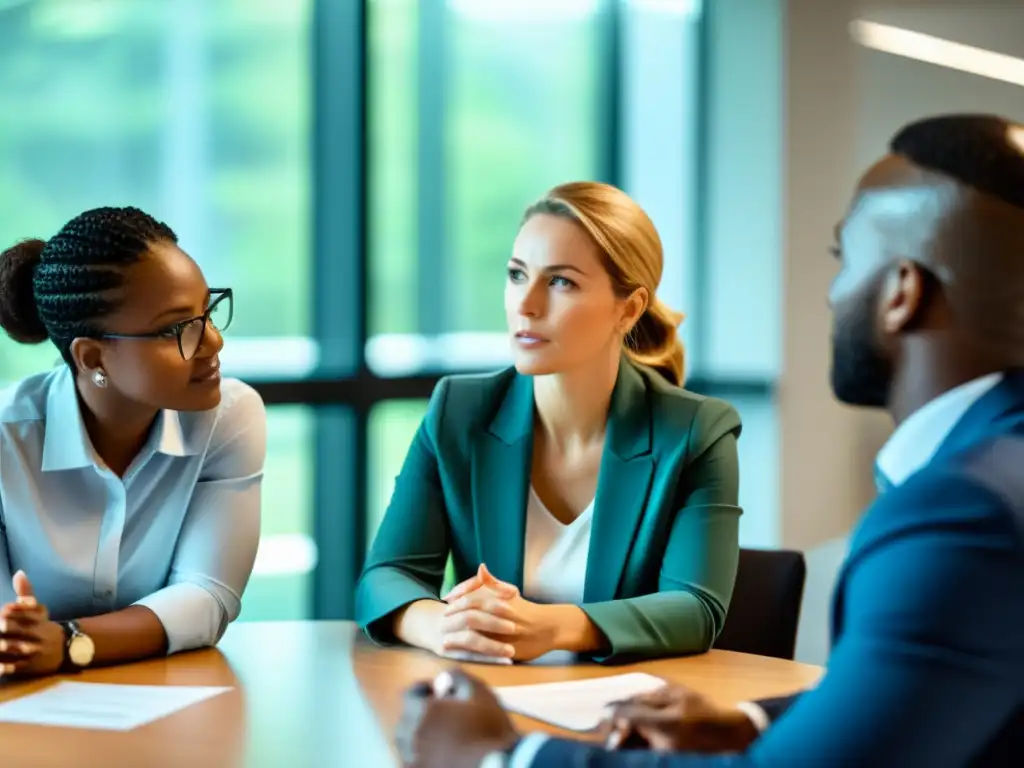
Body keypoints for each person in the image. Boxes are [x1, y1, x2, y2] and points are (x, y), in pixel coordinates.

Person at [392, 114, 1024, 766]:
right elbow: (904, 699)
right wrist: (746, 720)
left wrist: (505, 758)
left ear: (901, 293)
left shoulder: (959, 515)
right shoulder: (992, 481)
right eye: (517, 273)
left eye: (844, 260)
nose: (832, 295)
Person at [356, 181, 743, 665]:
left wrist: (551, 626)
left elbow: (696, 608)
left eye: (561, 282)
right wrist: (443, 627)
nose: (527, 304)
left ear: (629, 308)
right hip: (490, 705)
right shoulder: (459, 410)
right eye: (517, 275)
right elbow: (385, 576)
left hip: (622, 718)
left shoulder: (695, 432)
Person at [0, 206, 266, 679]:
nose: (213, 342)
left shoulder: (229, 417)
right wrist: (23, 636)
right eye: (176, 328)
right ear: (93, 356)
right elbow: (10, 633)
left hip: (171, 698)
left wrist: (67, 643)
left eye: (207, 311)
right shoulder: (7, 437)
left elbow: (207, 596)